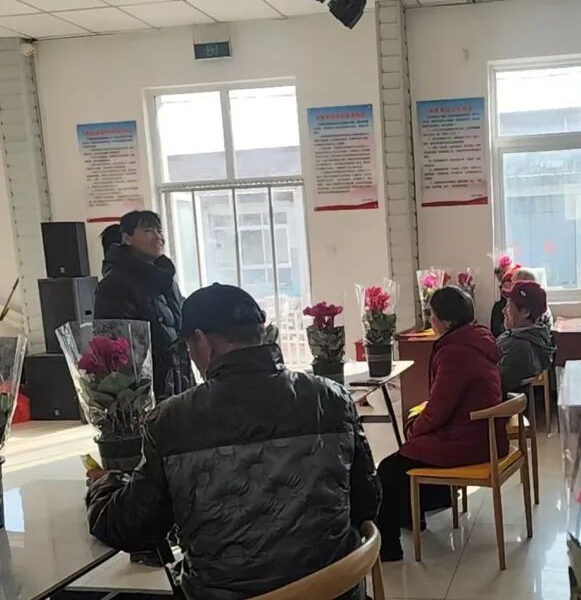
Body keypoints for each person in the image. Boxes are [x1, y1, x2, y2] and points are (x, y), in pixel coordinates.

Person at [85, 284, 381, 600]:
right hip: (336, 592)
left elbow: (136, 528)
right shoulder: (333, 398)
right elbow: (368, 501)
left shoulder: (172, 420)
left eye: (188, 347)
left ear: (200, 339)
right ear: (260, 331)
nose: (191, 356)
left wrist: (103, 487)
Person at [377, 286, 506, 562]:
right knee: (411, 453)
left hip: (467, 440)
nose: (430, 320)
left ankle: (389, 549)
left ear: (446, 321)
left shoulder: (455, 352)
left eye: (432, 315)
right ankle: (415, 514)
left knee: (389, 468)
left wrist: (414, 428)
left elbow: (438, 410)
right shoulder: (477, 339)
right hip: (483, 435)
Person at [94, 210, 193, 401]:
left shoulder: (166, 279)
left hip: (178, 381)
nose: (158, 237)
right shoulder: (115, 284)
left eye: (159, 231)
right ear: (127, 238)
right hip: (145, 390)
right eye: (148, 231)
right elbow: (115, 346)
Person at [497, 280, 555, 394]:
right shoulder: (524, 337)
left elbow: (494, 383)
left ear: (525, 312)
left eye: (508, 305)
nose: (503, 310)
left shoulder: (520, 348)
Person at [490, 265, 519, 338]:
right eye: (504, 287)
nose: (507, 291)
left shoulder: (519, 307)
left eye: (510, 287)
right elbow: (495, 331)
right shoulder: (498, 307)